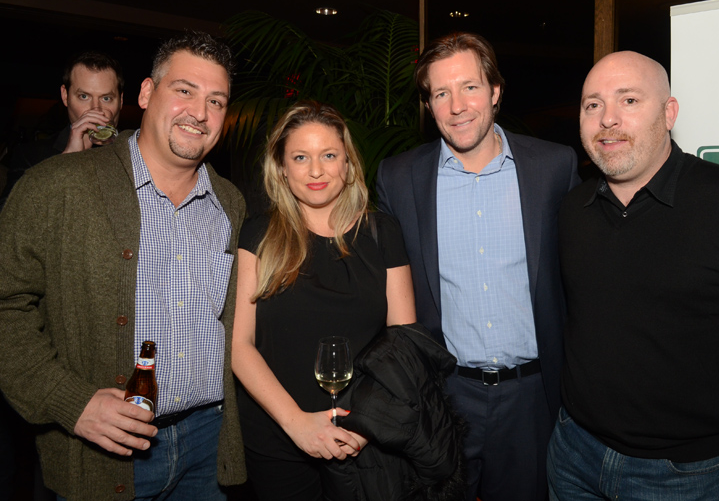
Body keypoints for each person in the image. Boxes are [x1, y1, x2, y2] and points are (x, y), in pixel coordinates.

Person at [0, 30, 247, 500]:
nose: (200, 112)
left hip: (209, 445)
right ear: (147, 93)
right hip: (107, 455)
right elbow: (6, 305)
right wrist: (69, 401)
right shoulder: (56, 186)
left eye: (216, 101)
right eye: (185, 90)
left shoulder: (230, 204)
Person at [548, 51, 719, 501]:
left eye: (629, 100)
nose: (608, 119)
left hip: (680, 475)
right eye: (592, 105)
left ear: (669, 113)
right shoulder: (572, 209)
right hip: (572, 452)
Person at [376, 32, 580, 501]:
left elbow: (581, 277)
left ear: (495, 91)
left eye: (469, 87)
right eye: (440, 93)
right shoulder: (399, 177)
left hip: (532, 397)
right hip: (444, 396)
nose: (456, 106)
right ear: (428, 105)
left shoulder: (553, 167)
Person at [231, 100, 417, 501]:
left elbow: (404, 346)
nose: (316, 170)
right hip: (277, 441)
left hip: (364, 438)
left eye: (329, 155)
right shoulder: (258, 235)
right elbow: (239, 346)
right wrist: (297, 424)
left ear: (347, 164)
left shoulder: (383, 232)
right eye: (300, 157)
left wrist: (366, 426)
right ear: (282, 167)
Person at [1, 51, 124, 205]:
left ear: (120, 101)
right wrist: (65, 163)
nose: (96, 109)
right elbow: (10, 215)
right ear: (65, 96)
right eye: (84, 96)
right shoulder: (31, 157)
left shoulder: (136, 154)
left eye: (106, 98)